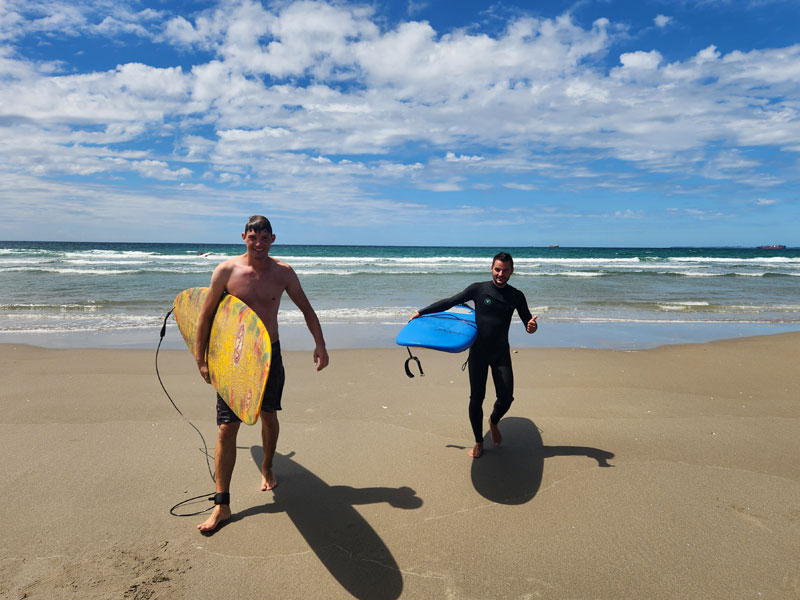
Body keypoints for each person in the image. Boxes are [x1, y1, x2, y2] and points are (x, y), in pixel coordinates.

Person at [194, 215, 329, 533]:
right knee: (227, 428)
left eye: (264, 238)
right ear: (243, 237)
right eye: (252, 237)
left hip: (270, 356)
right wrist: (201, 359)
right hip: (234, 358)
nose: (258, 243)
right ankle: (221, 505)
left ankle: (267, 466)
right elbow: (205, 314)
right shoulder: (226, 270)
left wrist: (320, 345)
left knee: (269, 416)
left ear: (273, 239)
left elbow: (306, 309)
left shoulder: (283, 272)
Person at [410, 252, 537, 459]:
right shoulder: (479, 289)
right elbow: (451, 302)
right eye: (497, 269)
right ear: (491, 268)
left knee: (506, 398)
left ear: (512, 271)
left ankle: (493, 421)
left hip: (500, 353)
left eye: (505, 270)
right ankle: (479, 441)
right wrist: (422, 312)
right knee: (476, 398)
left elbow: (529, 324)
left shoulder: (516, 296)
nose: (500, 274)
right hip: (478, 352)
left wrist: (532, 326)